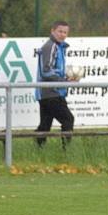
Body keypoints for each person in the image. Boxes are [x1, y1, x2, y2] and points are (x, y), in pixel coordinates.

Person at [34, 20, 76, 148]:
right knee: (68, 119)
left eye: (65, 32)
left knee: (45, 125)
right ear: (52, 31)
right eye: (60, 31)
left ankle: (39, 151)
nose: (63, 34)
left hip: (47, 93)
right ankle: (66, 150)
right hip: (51, 92)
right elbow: (46, 72)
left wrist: (66, 77)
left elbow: (54, 70)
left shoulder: (58, 47)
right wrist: (64, 81)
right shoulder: (51, 46)